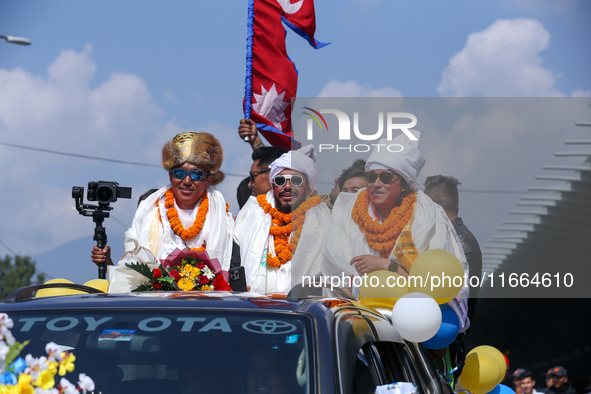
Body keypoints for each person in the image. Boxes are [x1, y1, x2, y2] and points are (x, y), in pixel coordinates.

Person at [322, 134, 469, 325]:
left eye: (385, 177)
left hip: (413, 326)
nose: (376, 184)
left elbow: (431, 286)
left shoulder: (426, 214)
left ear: (405, 184)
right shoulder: (348, 209)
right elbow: (335, 273)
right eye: (371, 177)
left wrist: (386, 266)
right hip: (355, 323)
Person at [91, 131, 234, 271]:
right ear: (170, 176)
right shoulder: (149, 210)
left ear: (208, 180)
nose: (187, 181)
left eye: (196, 174)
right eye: (180, 173)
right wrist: (107, 261)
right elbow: (132, 270)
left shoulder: (222, 217)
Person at [232, 145, 330, 293]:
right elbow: (234, 263)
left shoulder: (323, 221)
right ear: (273, 185)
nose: (288, 186)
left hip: (302, 310)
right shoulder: (252, 214)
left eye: (296, 181)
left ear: (308, 187)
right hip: (254, 306)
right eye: (280, 181)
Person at [423, 175, 482, 322]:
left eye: (423, 205)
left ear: (435, 206)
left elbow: (448, 294)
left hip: (452, 337)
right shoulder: (448, 238)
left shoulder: (461, 243)